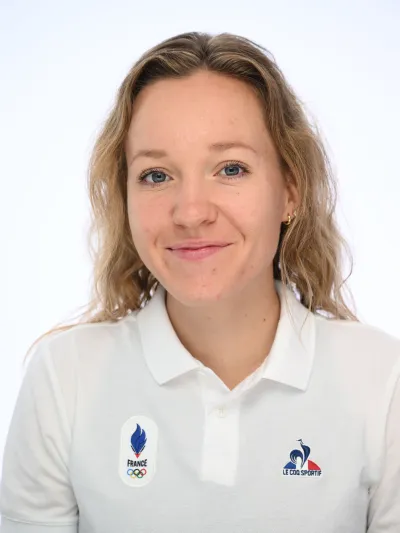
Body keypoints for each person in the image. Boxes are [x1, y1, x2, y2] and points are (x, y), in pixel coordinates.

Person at [0, 31, 399, 533]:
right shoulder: (65, 379)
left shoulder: (383, 380)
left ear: (290, 190)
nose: (190, 212)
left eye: (230, 168)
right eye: (156, 175)